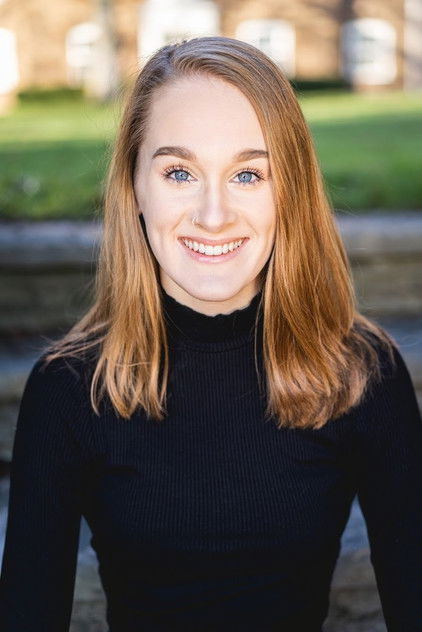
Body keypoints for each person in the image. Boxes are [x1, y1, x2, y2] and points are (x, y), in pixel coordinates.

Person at [0, 36, 421, 632]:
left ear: (290, 191)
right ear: (134, 188)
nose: (214, 215)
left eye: (248, 174)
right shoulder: (71, 387)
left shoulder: (360, 371)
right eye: (179, 172)